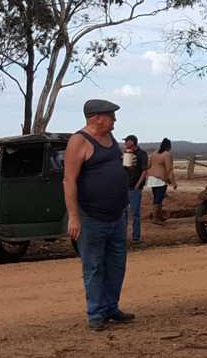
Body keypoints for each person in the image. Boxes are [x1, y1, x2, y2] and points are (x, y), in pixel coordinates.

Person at [63, 99, 135, 331]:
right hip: (91, 217)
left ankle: (110, 308)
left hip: (117, 215)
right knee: (94, 266)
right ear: (97, 118)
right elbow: (69, 180)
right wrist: (74, 217)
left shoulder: (111, 139)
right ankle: (95, 314)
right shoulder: (78, 141)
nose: (115, 121)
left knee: (116, 265)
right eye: (111, 117)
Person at [123, 134, 149, 243]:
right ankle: (122, 236)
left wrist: (138, 185)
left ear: (132, 142)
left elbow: (144, 170)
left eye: (126, 141)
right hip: (125, 187)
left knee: (135, 213)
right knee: (123, 212)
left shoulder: (142, 154)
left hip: (135, 187)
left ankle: (136, 237)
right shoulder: (127, 154)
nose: (125, 143)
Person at [146, 138, 177, 224]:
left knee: (157, 197)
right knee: (158, 199)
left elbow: (148, 165)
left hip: (152, 179)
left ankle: (158, 216)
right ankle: (155, 218)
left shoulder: (154, 153)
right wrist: (173, 182)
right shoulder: (167, 155)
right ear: (169, 146)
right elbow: (169, 169)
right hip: (160, 179)